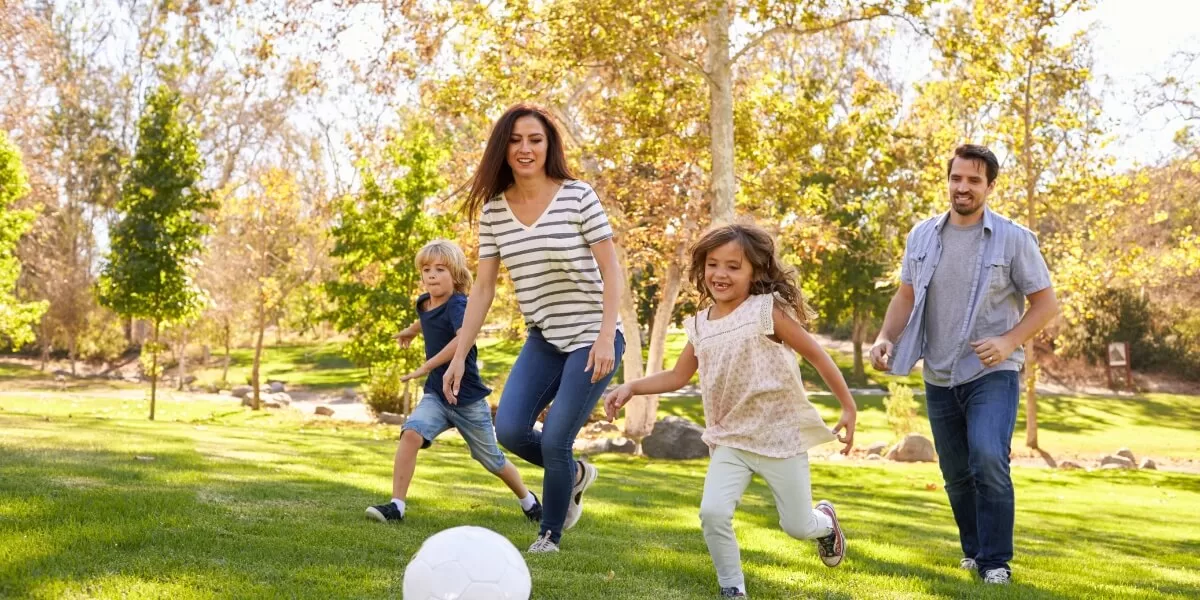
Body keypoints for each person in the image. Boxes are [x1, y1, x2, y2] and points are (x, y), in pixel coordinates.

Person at [605, 223, 857, 599]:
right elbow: (677, 376)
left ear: (755, 270)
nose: (720, 274)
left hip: (778, 436)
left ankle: (825, 524)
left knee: (797, 526)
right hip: (729, 439)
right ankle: (732, 588)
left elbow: (816, 355)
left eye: (733, 266)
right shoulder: (699, 326)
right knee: (713, 513)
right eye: (713, 264)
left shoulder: (766, 311)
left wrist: (848, 406)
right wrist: (631, 386)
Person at [870, 144, 1058, 585]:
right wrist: (884, 338)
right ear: (948, 180)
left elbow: (1046, 304)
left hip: (992, 371)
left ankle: (996, 562)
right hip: (938, 371)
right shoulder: (922, 235)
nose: (963, 187)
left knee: (989, 457)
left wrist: (1009, 339)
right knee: (955, 472)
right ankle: (974, 552)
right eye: (957, 178)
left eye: (974, 180)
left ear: (990, 186)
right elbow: (906, 296)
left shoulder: (1014, 238)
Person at [443, 104, 626, 553]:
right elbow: (483, 290)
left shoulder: (578, 196)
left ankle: (550, 534)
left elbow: (612, 271)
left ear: (549, 146)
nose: (526, 148)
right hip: (544, 338)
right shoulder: (494, 213)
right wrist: (458, 356)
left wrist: (606, 337)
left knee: (559, 437)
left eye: (535, 140)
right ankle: (577, 475)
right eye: (516, 140)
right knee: (509, 430)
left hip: (592, 336)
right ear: (503, 149)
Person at [365, 239, 540, 524]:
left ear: (456, 275)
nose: (431, 275)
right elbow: (427, 319)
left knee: (491, 460)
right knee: (411, 433)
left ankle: (529, 501)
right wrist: (410, 331)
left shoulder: (460, 305)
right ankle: (396, 507)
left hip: (467, 398)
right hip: (437, 394)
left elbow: (463, 338)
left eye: (440, 269)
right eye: (426, 269)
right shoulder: (424, 302)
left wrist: (427, 366)